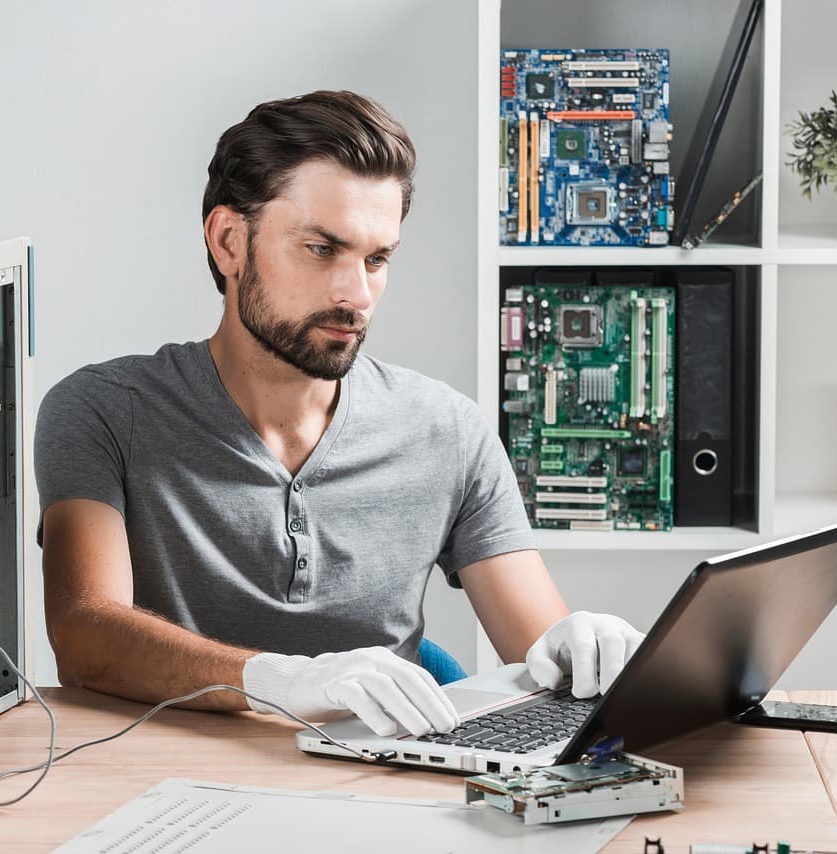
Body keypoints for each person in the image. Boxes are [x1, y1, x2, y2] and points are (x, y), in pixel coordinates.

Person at [35, 90, 643, 739]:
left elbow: (539, 655)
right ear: (229, 241)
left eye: (376, 259)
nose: (357, 294)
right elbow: (84, 635)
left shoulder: (447, 430)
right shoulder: (105, 411)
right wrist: (278, 681)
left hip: (388, 776)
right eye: (322, 249)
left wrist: (578, 646)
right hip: (168, 774)